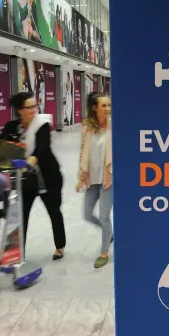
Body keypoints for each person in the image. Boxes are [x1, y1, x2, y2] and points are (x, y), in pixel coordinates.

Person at [0, 92, 66, 260]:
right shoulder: (11, 127)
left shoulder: (42, 125)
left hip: (48, 177)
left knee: (54, 211)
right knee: (21, 215)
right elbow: (1, 146)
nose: (33, 110)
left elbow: (42, 147)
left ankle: (60, 246)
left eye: (34, 106)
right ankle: (17, 251)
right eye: (29, 107)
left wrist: (30, 160)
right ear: (19, 110)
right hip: (25, 180)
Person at [76, 92, 113, 268]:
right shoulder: (87, 128)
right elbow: (83, 153)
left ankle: (104, 252)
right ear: (94, 108)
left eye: (109, 105)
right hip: (92, 179)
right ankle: (109, 232)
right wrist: (81, 178)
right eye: (104, 105)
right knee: (87, 214)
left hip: (108, 179)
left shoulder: (114, 126)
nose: (108, 109)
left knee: (105, 216)